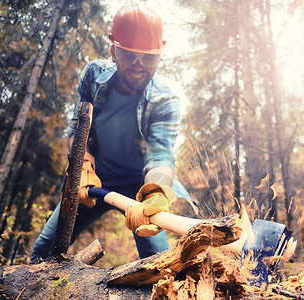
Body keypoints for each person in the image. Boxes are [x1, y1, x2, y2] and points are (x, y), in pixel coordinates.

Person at [31, 3, 188, 262]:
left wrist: (156, 191)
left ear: (159, 57)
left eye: (148, 57)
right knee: (43, 251)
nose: (139, 65)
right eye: (130, 55)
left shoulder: (166, 101)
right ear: (114, 52)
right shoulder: (93, 75)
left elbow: (160, 152)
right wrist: (82, 166)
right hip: (94, 180)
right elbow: (77, 128)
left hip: (140, 187)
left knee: (159, 264)